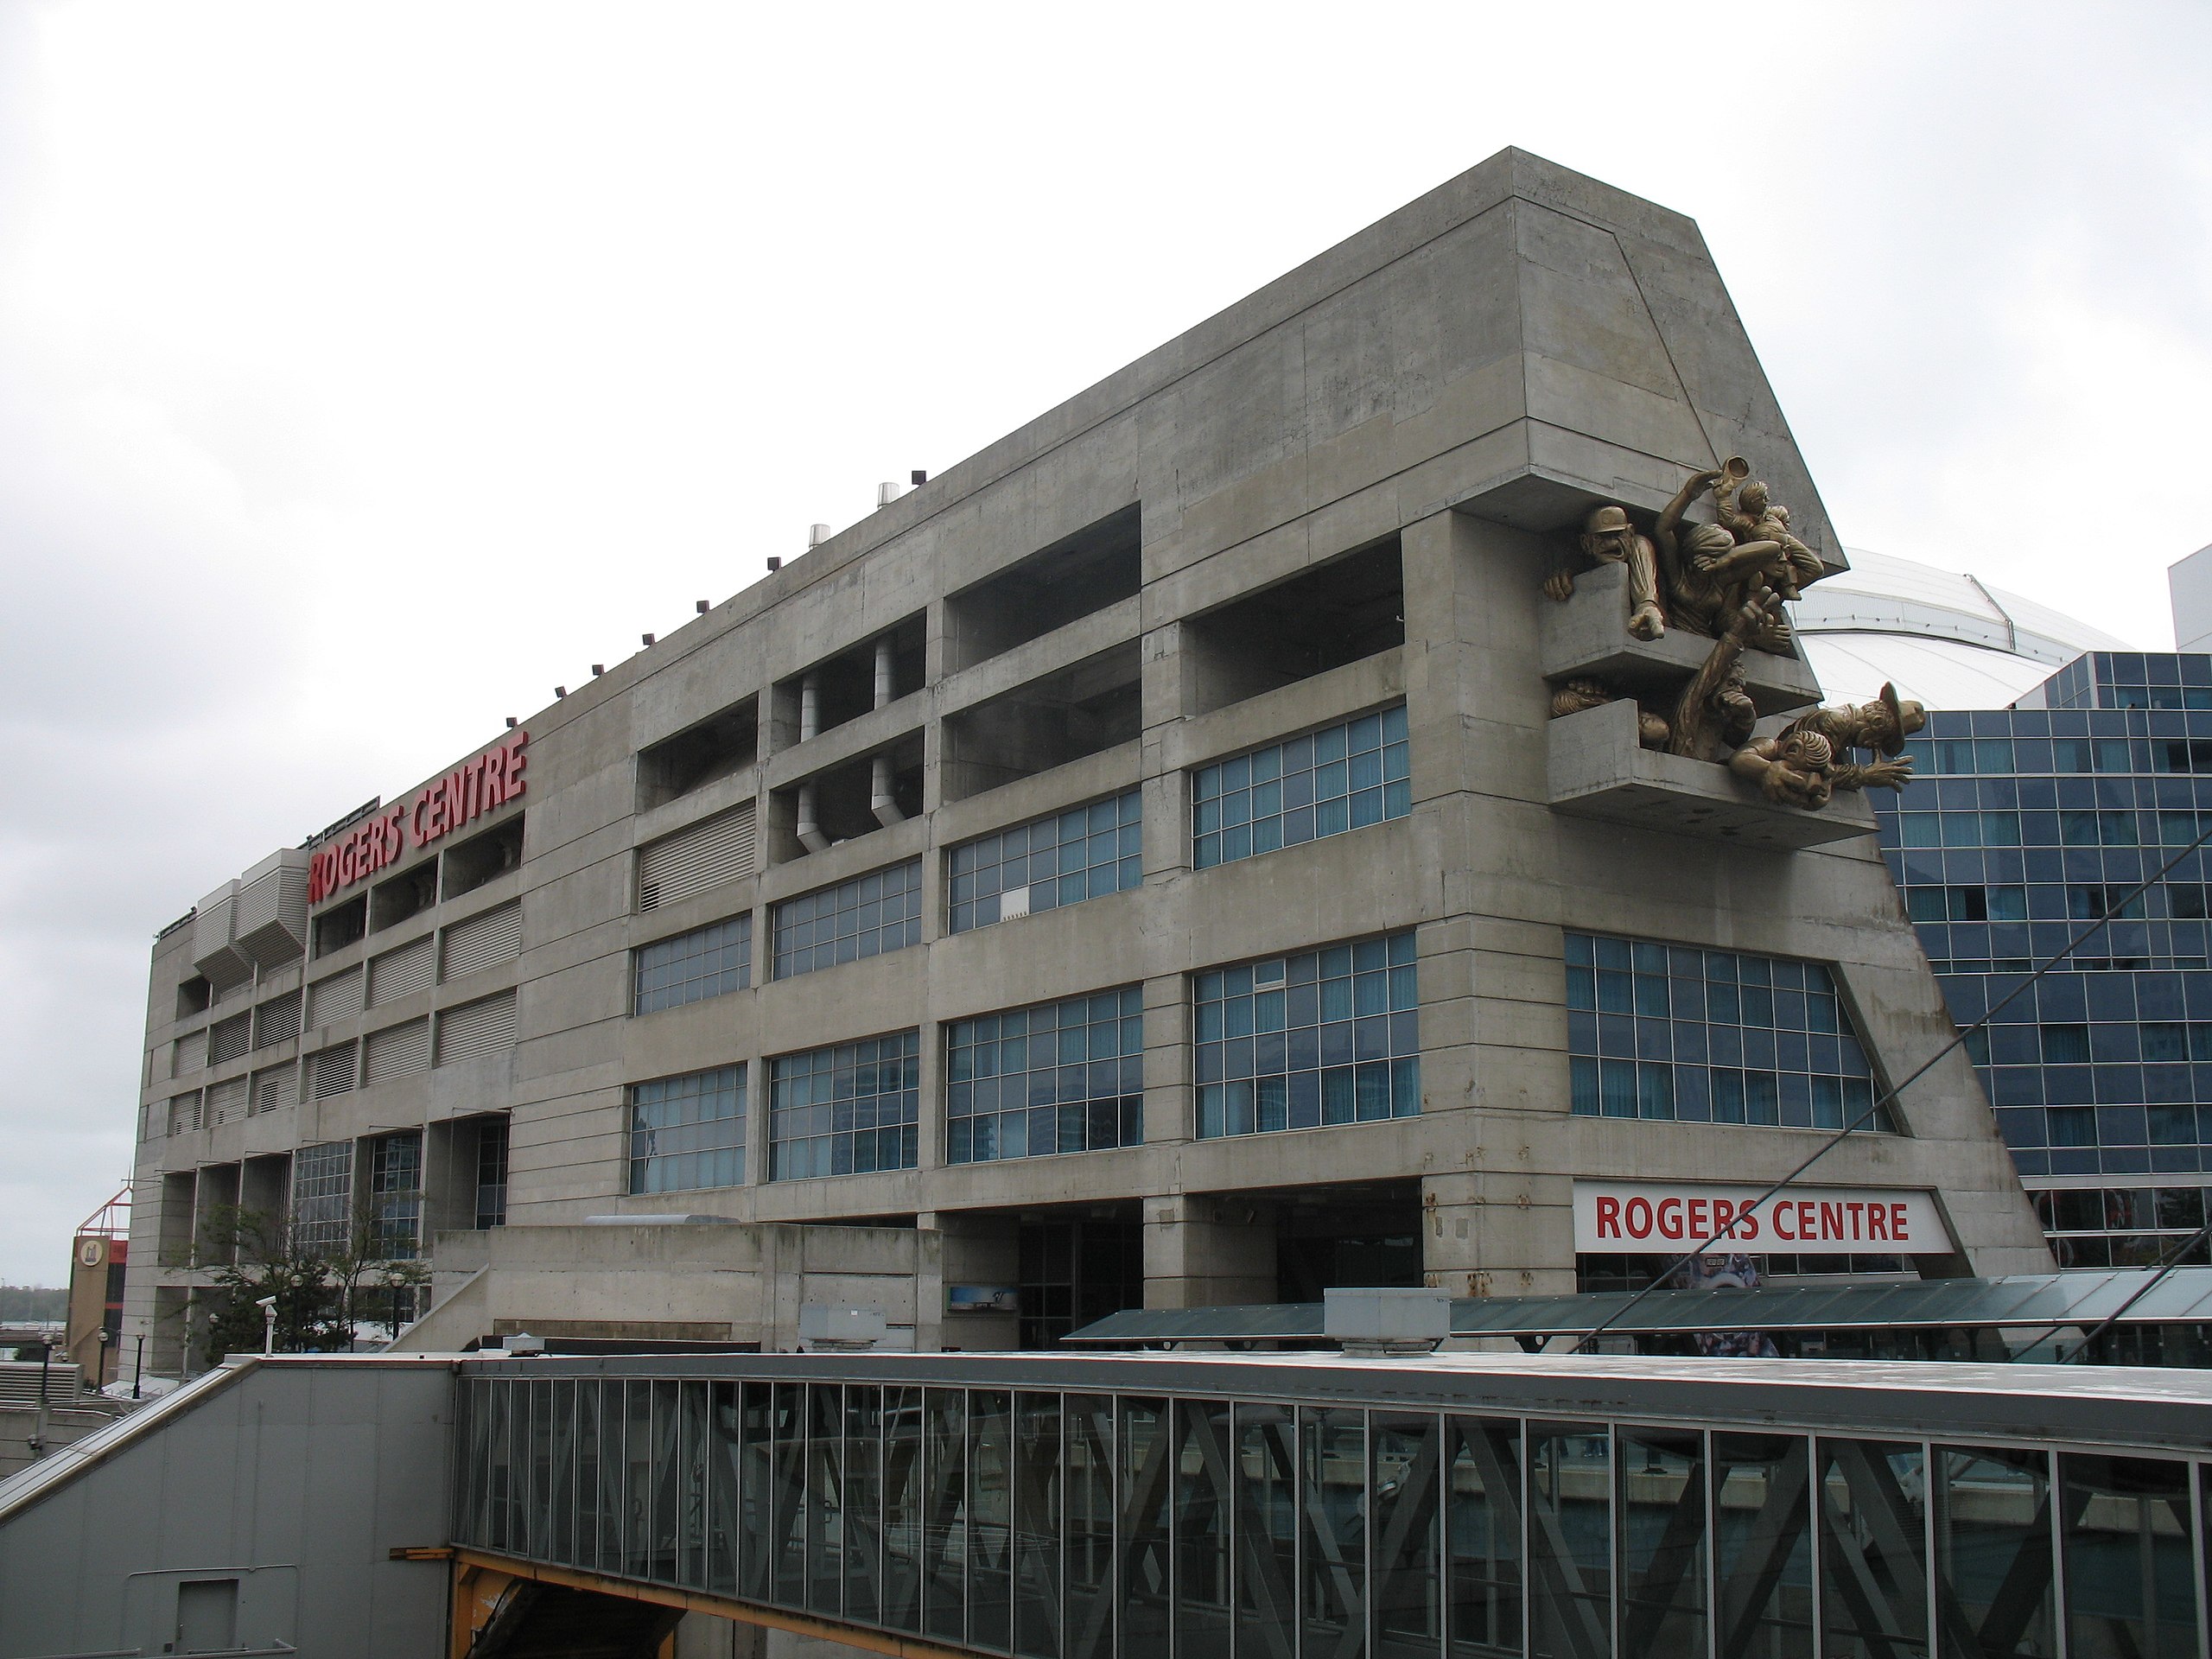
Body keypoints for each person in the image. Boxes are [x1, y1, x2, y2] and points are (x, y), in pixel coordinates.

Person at [1543, 505, 1667, 639]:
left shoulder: (1638, 546)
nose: (1612, 543)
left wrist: (1647, 605)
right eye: (1602, 538)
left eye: (1618, 535)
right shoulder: (1579, 563)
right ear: (1586, 543)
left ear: (1630, 532)